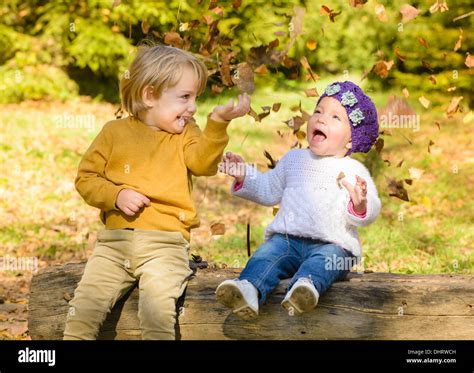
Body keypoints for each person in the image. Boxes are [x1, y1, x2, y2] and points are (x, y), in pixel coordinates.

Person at [63, 44, 250, 339]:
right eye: (185, 97)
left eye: (195, 98)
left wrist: (218, 124)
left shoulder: (187, 135)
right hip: (114, 246)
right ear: (149, 96)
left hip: (166, 245)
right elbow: (86, 178)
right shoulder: (113, 133)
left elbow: (202, 163)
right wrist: (116, 195)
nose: (192, 107)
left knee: (157, 311)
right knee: (84, 308)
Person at [216, 81, 381, 319]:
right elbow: (269, 189)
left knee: (326, 261)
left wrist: (360, 204)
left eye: (335, 117)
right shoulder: (294, 159)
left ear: (350, 140)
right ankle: (248, 289)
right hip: (287, 241)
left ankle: (306, 287)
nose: (322, 119)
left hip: (333, 244)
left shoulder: (352, 169)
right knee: (267, 255)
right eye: (318, 111)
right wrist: (245, 175)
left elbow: (371, 210)